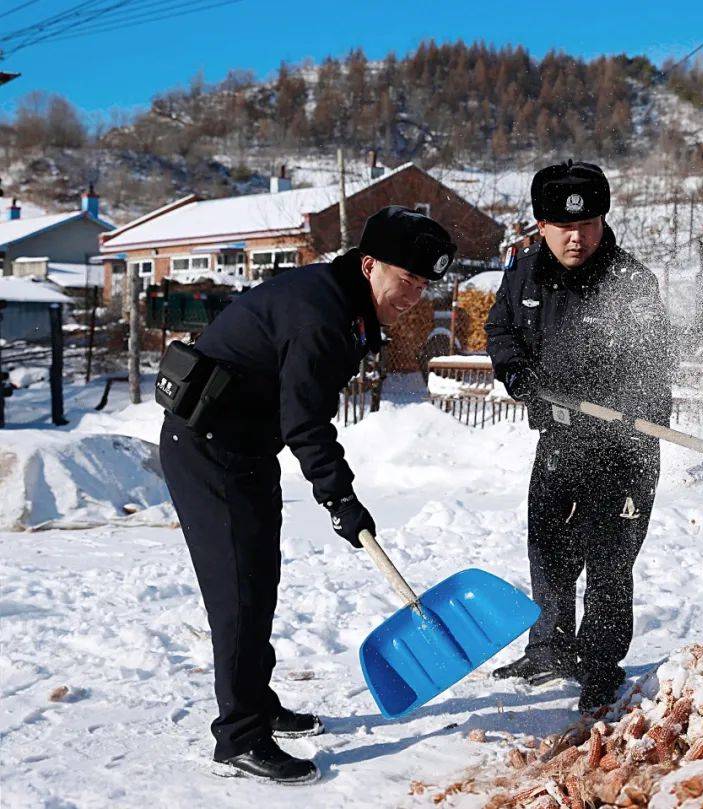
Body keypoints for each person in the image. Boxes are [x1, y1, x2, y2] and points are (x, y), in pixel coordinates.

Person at [158, 206, 456, 784]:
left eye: (424, 285)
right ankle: (239, 737)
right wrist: (339, 499)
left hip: (244, 446)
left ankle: (257, 701)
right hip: (208, 448)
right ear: (369, 264)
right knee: (238, 590)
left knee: (258, 577)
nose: (414, 295)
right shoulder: (320, 312)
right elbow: (307, 422)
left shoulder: (346, 302)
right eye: (407, 280)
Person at [485, 160, 672, 713]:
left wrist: (621, 404)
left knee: (609, 560)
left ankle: (599, 664)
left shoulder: (631, 281)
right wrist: (516, 373)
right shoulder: (523, 272)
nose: (577, 235)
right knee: (548, 550)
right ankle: (550, 650)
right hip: (559, 441)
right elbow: (501, 330)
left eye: (588, 223)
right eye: (563, 225)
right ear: (540, 225)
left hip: (624, 449)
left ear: (603, 219)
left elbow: (657, 359)